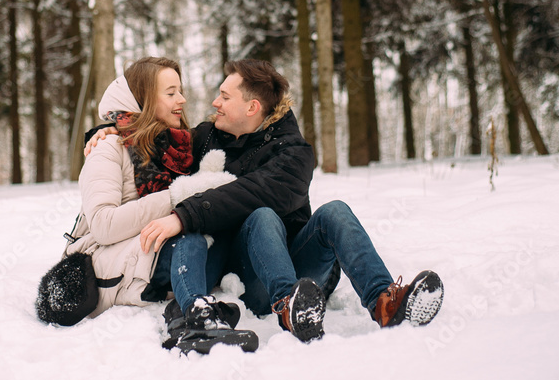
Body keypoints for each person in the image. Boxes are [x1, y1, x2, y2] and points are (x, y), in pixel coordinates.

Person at [134, 59, 444, 343]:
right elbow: (151, 134)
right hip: (246, 279)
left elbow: (254, 192)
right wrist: (106, 131)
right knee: (261, 216)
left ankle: (384, 302)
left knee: (326, 211)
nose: (215, 103)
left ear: (252, 107)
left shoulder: (294, 153)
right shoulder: (206, 138)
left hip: (301, 268)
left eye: (225, 97)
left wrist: (184, 215)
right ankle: (287, 307)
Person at [46, 57, 257, 353]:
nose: (181, 100)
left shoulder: (179, 147)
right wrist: (177, 195)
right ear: (142, 100)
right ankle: (194, 320)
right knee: (188, 234)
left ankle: (198, 307)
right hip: (110, 261)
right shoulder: (108, 149)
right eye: (170, 93)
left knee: (215, 225)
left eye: (180, 91)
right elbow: (104, 227)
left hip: (154, 253)